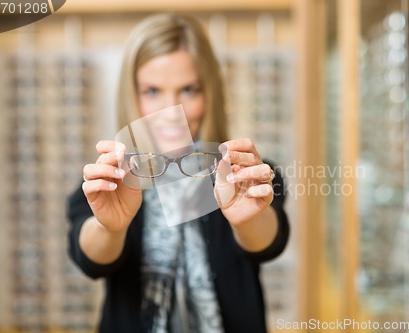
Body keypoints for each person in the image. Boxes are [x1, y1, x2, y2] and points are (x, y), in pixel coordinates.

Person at [67, 13, 289, 333]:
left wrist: (250, 219)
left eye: (188, 89)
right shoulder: (110, 180)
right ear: (132, 95)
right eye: (153, 91)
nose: (171, 112)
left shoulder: (246, 172)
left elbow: (269, 242)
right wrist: (110, 228)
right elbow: (89, 257)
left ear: (209, 93)